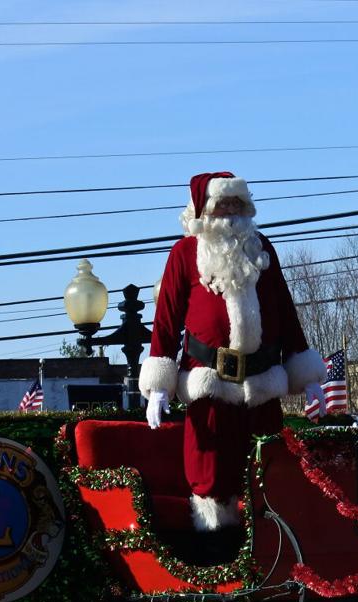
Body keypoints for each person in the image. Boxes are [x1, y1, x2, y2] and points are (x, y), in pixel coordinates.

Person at [140, 171, 328, 533]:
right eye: (221, 203)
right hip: (209, 384)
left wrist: (307, 376)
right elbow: (166, 319)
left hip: (261, 386)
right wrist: (159, 385)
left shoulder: (262, 248)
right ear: (203, 210)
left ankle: (268, 554)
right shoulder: (185, 254)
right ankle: (215, 553)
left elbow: (285, 312)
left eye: (235, 203)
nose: (229, 211)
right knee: (210, 478)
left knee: (267, 474)